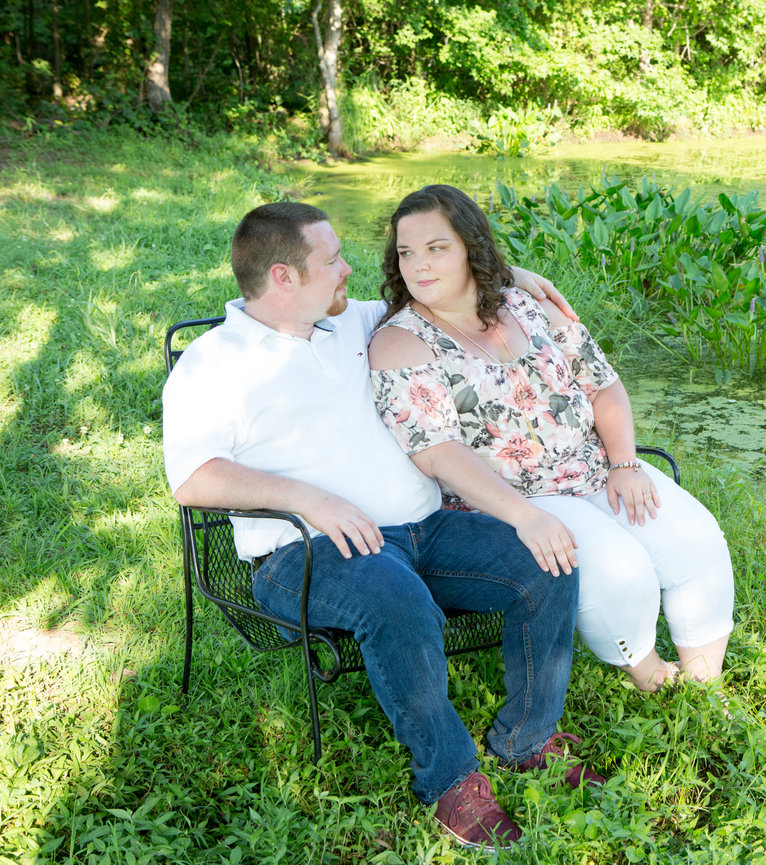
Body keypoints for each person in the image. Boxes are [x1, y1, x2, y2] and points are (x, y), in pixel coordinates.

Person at [162, 201, 602, 852]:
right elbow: (193, 478)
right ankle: (450, 780)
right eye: (332, 259)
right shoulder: (212, 364)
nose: (349, 269)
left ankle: (526, 739)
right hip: (305, 554)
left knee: (544, 558)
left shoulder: (353, 320)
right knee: (394, 598)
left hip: (425, 528)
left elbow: (442, 283)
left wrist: (513, 275)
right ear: (283, 276)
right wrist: (310, 500)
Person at [368, 185, 735, 694]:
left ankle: (704, 680)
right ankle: (652, 678)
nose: (418, 266)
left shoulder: (526, 304)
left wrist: (624, 465)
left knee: (696, 540)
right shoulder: (401, 342)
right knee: (619, 569)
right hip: (515, 499)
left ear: (472, 247)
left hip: (595, 467)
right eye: (406, 252)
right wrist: (525, 515)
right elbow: (437, 453)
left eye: (436, 248)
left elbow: (602, 385)